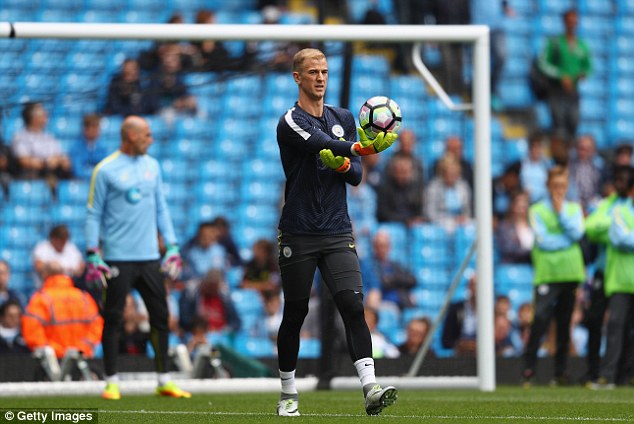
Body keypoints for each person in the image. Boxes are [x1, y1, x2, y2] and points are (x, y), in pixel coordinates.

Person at [275, 48, 398, 416]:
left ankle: (370, 388)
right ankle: (288, 393)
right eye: (312, 71)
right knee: (295, 312)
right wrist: (359, 147)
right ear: (297, 77)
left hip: (336, 230)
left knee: (352, 305)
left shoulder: (343, 116)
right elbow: (318, 143)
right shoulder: (290, 121)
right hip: (298, 233)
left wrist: (346, 163)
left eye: (325, 71)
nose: (320, 78)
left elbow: (357, 176)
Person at [85, 115, 189, 400]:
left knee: (161, 316)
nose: (151, 140)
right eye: (147, 135)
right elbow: (93, 213)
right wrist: (93, 252)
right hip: (117, 259)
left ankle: (164, 379)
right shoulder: (105, 170)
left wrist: (173, 246)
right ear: (131, 136)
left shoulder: (152, 166)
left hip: (149, 258)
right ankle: (111, 381)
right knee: (114, 318)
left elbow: (161, 209)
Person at [522, 165, 586, 387]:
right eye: (555, 185)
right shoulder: (537, 210)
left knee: (564, 322)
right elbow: (543, 241)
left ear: (567, 186)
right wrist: (566, 240)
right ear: (548, 185)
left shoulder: (573, 209)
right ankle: (529, 368)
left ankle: (560, 371)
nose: (559, 189)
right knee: (539, 319)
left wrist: (560, 215)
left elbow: (578, 233)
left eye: (562, 185)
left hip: (570, 272)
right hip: (547, 273)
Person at [582, 165, 632, 385]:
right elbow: (591, 226)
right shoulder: (611, 206)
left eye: (623, 180)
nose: (618, 184)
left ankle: (625, 375)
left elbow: (621, 237)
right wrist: (614, 231)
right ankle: (600, 372)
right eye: (616, 179)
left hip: (621, 276)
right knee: (605, 323)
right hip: (613, 275)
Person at [21, 262, 103, 361]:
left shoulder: (40, 299)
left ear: (44, 275)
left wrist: (55, 351)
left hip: (53, 363)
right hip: (81, 359)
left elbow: (32, 333)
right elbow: (97, 325)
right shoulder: (84, 297)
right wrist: (82, 348)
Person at [537, 8, 591, 143]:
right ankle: (558, 158)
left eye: (575, 21)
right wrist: (560, 75)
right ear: (564, 22)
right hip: (556, 91)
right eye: (569, 21)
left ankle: (569, 158)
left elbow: (588, 66)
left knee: (574, 124)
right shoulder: (555, 42)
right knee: (559, 127)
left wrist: (583, 73)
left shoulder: (582, 45)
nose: (572, 24)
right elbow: (543, 64)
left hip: (573, 92)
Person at [470, 0, 514, 110]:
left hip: (497, 28)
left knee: (501, 57)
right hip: (477, 28)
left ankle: (492, 90)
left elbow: (505, 4)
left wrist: (506, 7)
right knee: (480, 64)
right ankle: (478, 94)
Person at [11, 102, 72, 180]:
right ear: (34, 118)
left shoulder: (49, 136)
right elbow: (24, 161)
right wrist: (46, 163)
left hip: (52, 173)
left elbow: (61, 157)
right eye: (43, 115)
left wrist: (58, 160)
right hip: (31, 176)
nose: (46, 117)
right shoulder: (20, 136)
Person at [360, 230, 416, 311]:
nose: (382, 249)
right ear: (374, 247)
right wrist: (396, 281)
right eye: (379, 245)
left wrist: (392, 279)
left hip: (400, 303)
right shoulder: (369, 264)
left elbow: (412, 280)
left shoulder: (395, 265)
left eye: (385, 245)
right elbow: (379, 284)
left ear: (389, 247)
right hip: (382, 302)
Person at [178, 269, 241, 336]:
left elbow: (236, 322)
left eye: (215, 285)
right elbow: (185, 319)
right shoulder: (192, 295)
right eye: (210, 285)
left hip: (220, 336)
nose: (212, 288)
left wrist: (224, 331)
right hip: (199, 334)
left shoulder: (225, 297)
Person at [425, 154, 473, 233]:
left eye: (455, 173)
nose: (452, 176)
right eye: (449, 173)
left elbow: (467, 209)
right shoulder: (433, 187)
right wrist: (449, 220)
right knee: (450, 228)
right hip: (441, 222)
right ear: (442, 173)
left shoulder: (463, 186)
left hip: (460, 221)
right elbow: (429, 212)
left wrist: (463, 217)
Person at [376, 154, 424, 225]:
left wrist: (415, 219)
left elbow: (419, 210)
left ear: (411, 172)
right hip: (391, 224)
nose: (402, 176)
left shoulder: (416, 187)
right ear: (393, 172)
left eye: (405, 172)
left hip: (412, 225)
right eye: (399, 172)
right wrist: (405, 220)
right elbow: (383, 213)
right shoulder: (385, 187)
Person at [442, 276, 478, 356]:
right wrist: (460, 345)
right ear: (468, 287)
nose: (477, 289)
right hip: (459, 354)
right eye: (474, 285)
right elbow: (446, 339)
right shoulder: (456, 308)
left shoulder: (491, 311)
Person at [567, 134, 603, 213]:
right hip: (574, 203)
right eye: (579, 148)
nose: (581, 152)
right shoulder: (569, 164)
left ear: (593, 150)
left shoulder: (600, 166)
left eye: (585, 149)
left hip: (593, 204)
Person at [495, 191, 534, 264]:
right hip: (513, 266)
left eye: (524, 204)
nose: (522, 208)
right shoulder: (505, 226)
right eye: (519, 205)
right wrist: (533, 251)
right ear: (512, 206)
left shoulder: (534, 224)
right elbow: (508, 249)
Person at [70, 114, 108, 180]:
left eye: (97, 127)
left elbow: (106, 169)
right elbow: (78, 171)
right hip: (81, 183)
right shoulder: (76, 147)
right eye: (93, 127)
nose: (97, 131)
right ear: (85, 129)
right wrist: (96, 173)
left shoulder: (104, 147)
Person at [520, 132, 552, 204]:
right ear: (529, 149)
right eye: (534, 147)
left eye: (539, 147)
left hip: (544, 200)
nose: (536, 150)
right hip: (527, 200)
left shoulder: (548, 164)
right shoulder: (522, 164)